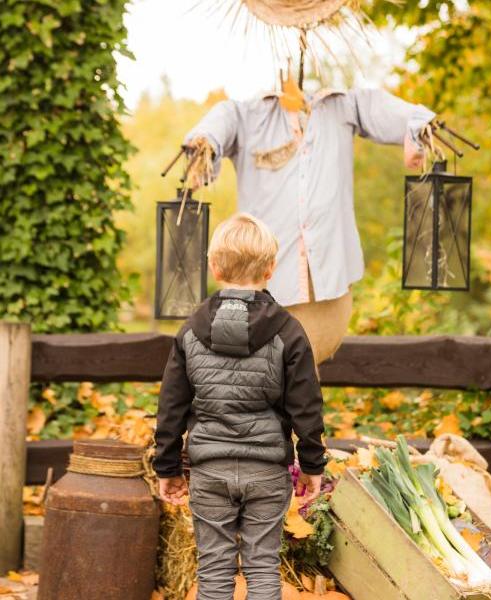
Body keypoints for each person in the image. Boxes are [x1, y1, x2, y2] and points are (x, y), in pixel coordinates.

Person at [184, 86, 435, 363]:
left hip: (327, 287)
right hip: (263, 288)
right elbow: (217, 125)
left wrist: (417, 123)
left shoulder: (342, 106)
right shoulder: (246, 115)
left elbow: (378, 107)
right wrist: (204, 146)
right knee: (267, 377)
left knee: (297, 375)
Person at [153, 213, 327, 600]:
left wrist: (167, 466)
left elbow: (172, 406)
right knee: (263, 567)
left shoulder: (191, 330)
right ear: (270, 269)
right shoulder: (288, 331)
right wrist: (312, 465)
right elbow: (306, 407)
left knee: (213, 572)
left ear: (214, 267)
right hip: (265, 471)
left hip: (209, 470)